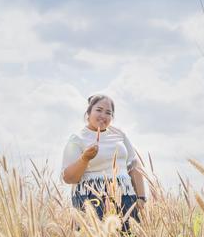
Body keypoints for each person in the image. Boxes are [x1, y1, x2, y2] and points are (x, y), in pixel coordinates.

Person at [61, 94, 146, 229]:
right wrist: (85, 159)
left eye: (108, 113)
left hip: (125, 198)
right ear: (88, 112)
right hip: (90, 199)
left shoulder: (119, 134)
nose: (103, 115)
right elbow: (69, 177)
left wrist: (141, 197)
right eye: (99, 110)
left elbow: (134, 165)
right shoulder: (78, 138)